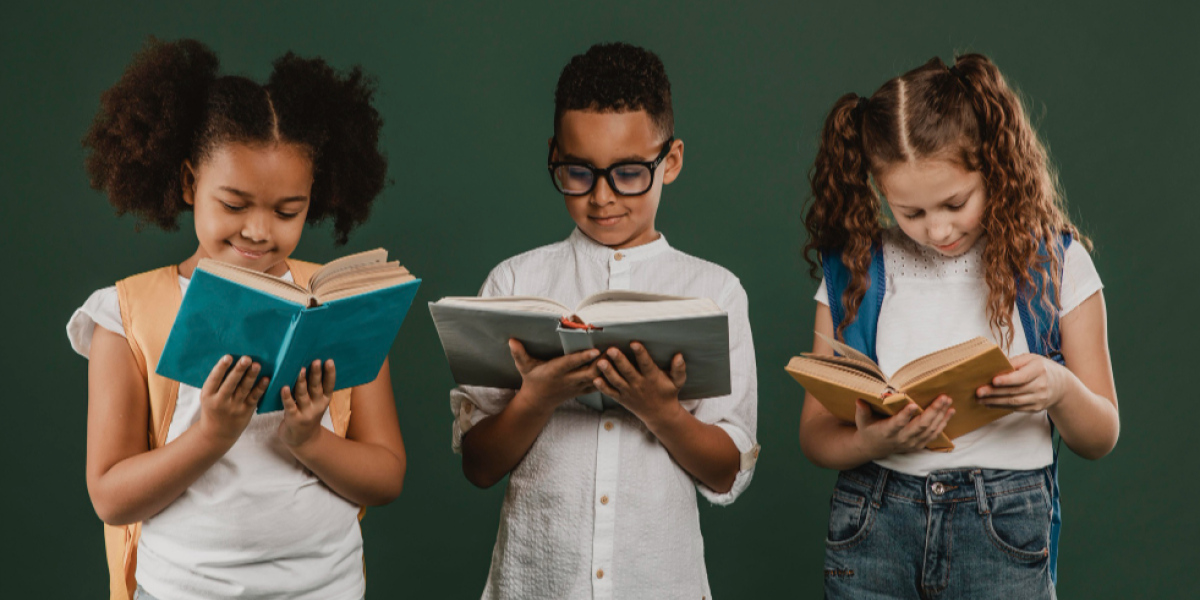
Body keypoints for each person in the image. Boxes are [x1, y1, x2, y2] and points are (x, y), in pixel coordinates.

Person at [67, 37, 404, 600]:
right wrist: (210, 435)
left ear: (311, 200)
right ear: (187, 183)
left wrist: (309, 439)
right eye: (233, 203)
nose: (258, 230)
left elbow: (387, 475)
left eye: (286, 211)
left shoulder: (339, 303)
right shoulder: (125, 315)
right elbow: (110, 496)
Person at [798, 54, 1119, 599]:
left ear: (993, 165)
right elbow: (815, 436)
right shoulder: (854, 270)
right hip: (874, 516)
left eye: (954, 202)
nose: (937, 229)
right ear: (880, 193)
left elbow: (1101, 436)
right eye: (910, 213)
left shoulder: (1056, 264)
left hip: (1004, 524)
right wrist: (872, 440)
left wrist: (1059, 388)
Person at [450, 42, 760, 599]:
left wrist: (661, 410)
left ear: (672, 159)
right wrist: (535, 398)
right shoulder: (515, 284)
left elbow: (726, 470)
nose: (601, 197)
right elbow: (478, 464)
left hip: (661, 583)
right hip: (535, 581)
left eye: (628, 173)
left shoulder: (714, 292)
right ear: (553, 155)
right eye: (577, 171)